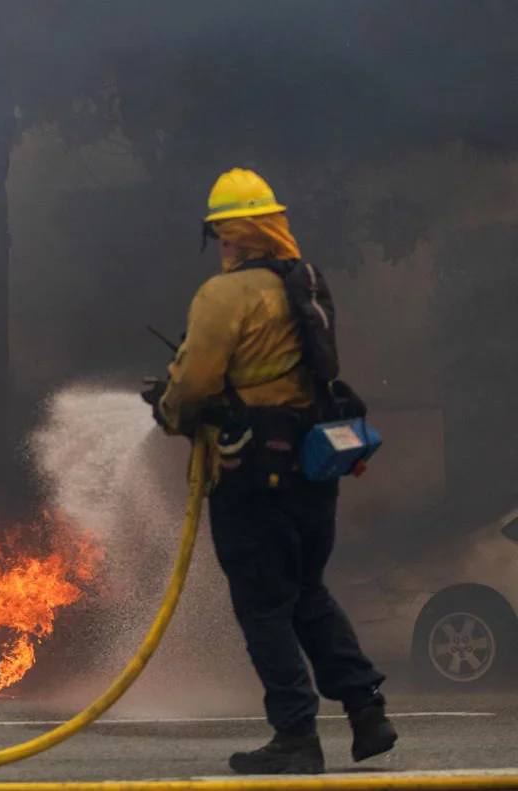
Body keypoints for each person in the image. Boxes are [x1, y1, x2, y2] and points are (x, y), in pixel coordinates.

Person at [142, 168, 397, 775]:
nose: (221, 245)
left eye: (220, 234)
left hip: (252, 473)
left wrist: (168, 411)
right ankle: (367, 711)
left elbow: (195, 382)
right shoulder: (304, 282)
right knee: (306, 591)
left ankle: (295, 735)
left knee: (263, 605)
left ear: (231, 234)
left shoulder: (224, 295)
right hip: (314, 464)